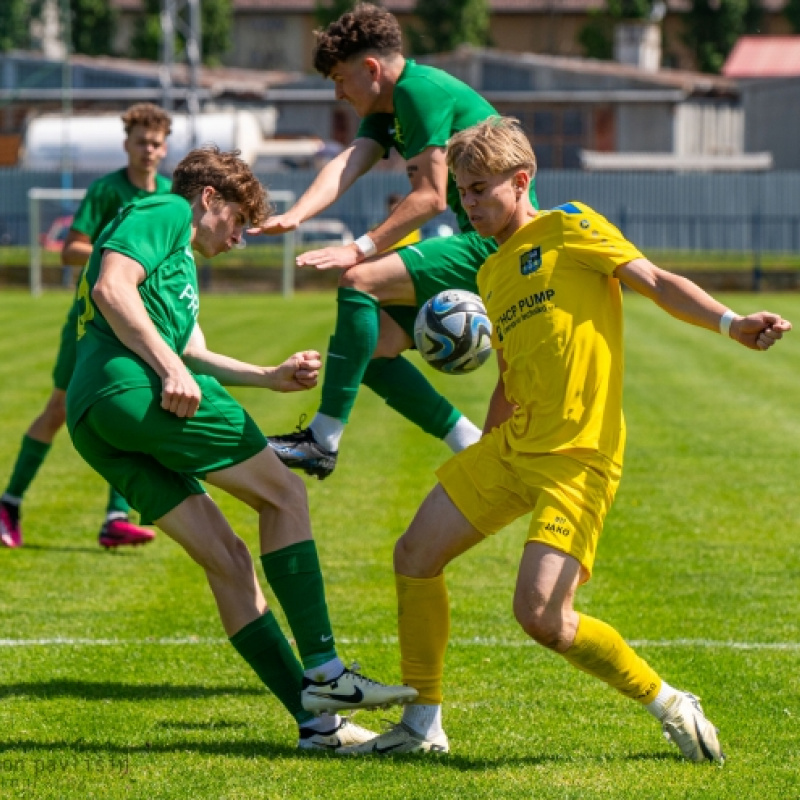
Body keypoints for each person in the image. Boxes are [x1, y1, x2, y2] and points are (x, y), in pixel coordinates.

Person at [340, 117, 792, 759]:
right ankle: (422, 725)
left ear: (521, 180)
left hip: (578, 458)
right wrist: (483, 447)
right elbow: (512, 375)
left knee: (543, 617)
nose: (467, 204)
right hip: (514, 446)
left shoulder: (573, 225)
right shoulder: (492, 273)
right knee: (414, 555)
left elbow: (657, 282)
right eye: (462, 192)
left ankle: (667, 700)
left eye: (478, 189)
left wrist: (730, 322)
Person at [64, 145, 417, 749]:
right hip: (132, 387)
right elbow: (111, 289)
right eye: (238, 221)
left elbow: (192, 348)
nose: (240, 238)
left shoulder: (177, 256)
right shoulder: (166, 212)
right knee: (284, 493)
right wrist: (170, 367)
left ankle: (318, 728)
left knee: (227, 560)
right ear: (208, 199)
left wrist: (268, 375)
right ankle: (327, 671)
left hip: (96, 416)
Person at [255, 3, 539, 480]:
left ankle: (322, 440)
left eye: (341, 80)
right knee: (370, 350)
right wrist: (297, 215)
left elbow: (429, 197)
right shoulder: (389, 107)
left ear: (370, 68)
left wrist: (358, 248)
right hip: (484, 242)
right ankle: (471, 445)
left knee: (359, 279)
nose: (339, 93)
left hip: (498, 244)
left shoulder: (417, 91)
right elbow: (350, 161)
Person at [0, 103, 173, 549]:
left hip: (140, 326)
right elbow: (70, 249)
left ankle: (116, 517)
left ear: (165, 147)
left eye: (156, 143)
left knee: (132, 410)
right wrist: (118, 251)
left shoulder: (171, 196)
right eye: (141, 142)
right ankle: (9, 502)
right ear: (126, 145)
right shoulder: (106, 190)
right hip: (91, 322)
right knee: (58, 410)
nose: (148, 150)